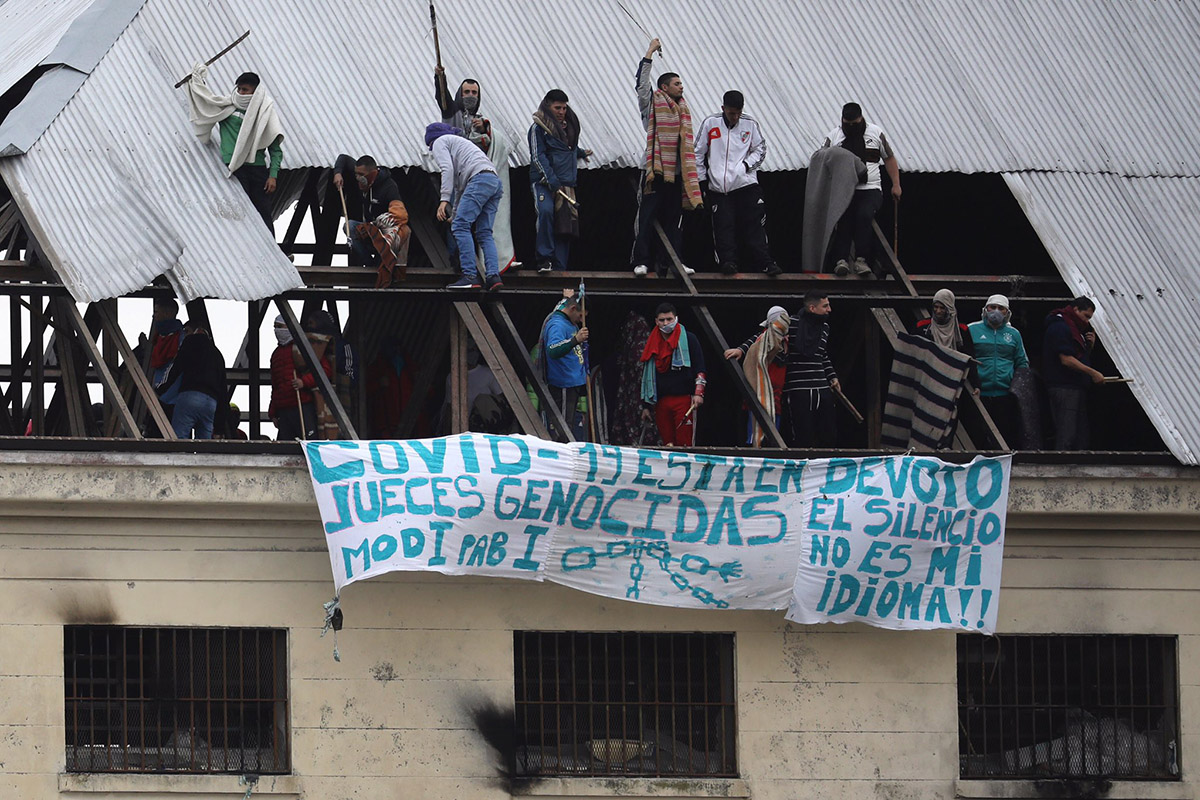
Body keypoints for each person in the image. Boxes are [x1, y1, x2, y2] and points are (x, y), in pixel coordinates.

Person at [434, 67, 518, 273]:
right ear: (459, 94)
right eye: (466, 92)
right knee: (456, 222)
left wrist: (484, 130)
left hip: (476, 179)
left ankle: (487, 268)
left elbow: (492, 146)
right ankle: (459, 263)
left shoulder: (480, 120)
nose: (470, 96)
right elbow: (442, 98)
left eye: (474, 93)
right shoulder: (452, 114)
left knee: (480, 226)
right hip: (458, 179)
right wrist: (440, 77)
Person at [631, 37, 701, 278]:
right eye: (677, 83)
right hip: (654, 171)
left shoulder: (683, 110)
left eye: (681, 84)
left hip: (677, 173)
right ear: (664, 87)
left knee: (674, 221)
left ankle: (673, 263)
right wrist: (649, 52)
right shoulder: (652, 105)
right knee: (646, 218)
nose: (681, 87)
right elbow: (641, 85)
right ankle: (641, 261)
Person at [186, 68, 284, 233]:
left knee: (262, 211)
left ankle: (270, 246)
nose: (241, 93)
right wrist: (198, 83)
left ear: (255, 92)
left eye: (245, 90)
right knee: (240, 211)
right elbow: (206, 104)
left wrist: (273, 175)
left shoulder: (264, 113)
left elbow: (275, 149)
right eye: (239, 89)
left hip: (257, 168)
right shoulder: (228, 107)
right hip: (234, 167)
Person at [695, 91, 780, 276]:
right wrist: (702, 181)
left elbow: (760, 149)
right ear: (723, 108)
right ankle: (728, 263)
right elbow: (698, 153)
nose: (735, 117)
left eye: (738, 113)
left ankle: (765, 262)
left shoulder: (750, 124)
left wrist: (745, 166)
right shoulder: (710, 123)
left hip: (745, 184)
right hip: (718, 187)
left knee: (754, 225)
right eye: (731, 113)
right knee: (723, 227)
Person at [823, 102, 900, 277]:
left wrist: (896, 184)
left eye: (855, 124)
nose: (851, 127)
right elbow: (822, 160)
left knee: (864, 215)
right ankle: (840, 260)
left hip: (870, 188)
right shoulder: (834, 136)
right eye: (847, 124)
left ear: (861, 119)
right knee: (844, 219)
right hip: (844, 189)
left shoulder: (875, 133)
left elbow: (889, 158)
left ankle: (862, 259)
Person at [426, 123, 504, 291]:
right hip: (493, 181)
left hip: (479, 179)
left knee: (460, 227)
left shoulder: (439, 141)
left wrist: (444, 200)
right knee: (484, 232)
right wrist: (454, 214)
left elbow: (446, 169)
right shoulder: (461, 147)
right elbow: (460, 189)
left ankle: (470, 276)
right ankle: (493, 276)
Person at [529, 90, 592, 272]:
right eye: (557, 108)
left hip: (566, 184)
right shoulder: (538, 128)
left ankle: (560, 267)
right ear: (548, 106)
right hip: (544, 182)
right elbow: (537, 156)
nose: (561, 112)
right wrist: (551, 180)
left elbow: (567, 147)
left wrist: (580, 152)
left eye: (564, 108)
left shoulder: (570, 127)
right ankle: (544, 259)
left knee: (566, 225)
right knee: (546, 212)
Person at [915, 288, 978, 447]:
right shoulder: (923, 326)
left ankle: (945, 446)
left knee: (950, 414)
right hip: (929, 379)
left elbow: (970, 356)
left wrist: (976, 383)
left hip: (952, 380)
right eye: (935, 307)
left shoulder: (961, 330)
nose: (938, 311)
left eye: (942, 308)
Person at [639, 303, 706, 446]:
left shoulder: (689, 339)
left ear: (676, 319)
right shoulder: (651, 343)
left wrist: (699, 393)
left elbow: (700, 368)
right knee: (667, 444)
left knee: (685, 443)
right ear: (656, 321)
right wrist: (646, 406)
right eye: (662, 320)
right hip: (661, 401)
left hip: (685, 400)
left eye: (669, 319)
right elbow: (647, 375)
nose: (666, 323)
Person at [969, 294, 1029, 448]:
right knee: (978, 436)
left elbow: (1022, 362)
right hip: (978, 394)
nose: (996, 311)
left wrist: (1017, 388)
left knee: (1004, 436)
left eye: (1000, 308)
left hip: (1005, 394)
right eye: (992, 307)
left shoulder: (1014, 334)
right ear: (986, 309)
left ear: (1007, 312)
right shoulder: (971, 329)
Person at [1043, 296, 1103, 450]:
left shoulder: (1074, 329)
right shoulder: (1060, 326)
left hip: (1075, 387)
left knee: (1079, 435)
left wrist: (1088, 347)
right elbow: (1066, 360)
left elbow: (1077, 357)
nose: (1087, 321)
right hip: (1064, 387)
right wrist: (1093, 373)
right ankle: (1061, 463)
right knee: (1067, 433)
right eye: (1086, 316)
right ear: (1075, 309)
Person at [725, 305, 789, 446]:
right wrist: (741, 349)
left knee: (773, 437)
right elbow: (757, 341)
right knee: (755, 435)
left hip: (776, 397)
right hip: (761, 394)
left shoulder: (787, 341)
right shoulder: (765, 338)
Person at [782, 291, 839, 447]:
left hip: (822, 389)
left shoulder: (825, 327)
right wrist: (741, 350)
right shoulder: (791, 323)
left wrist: (832, 376)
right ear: (812, 308)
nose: (829, 309)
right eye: (825, 306)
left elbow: (822, 354)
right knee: (801, 437)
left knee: (828, 434)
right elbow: (766, 337)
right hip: (798, 389)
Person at [330, 154, 406, 269]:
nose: (357, 178)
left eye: (361, 175)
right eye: (356, 174)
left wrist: (378, 225)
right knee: (350, 226)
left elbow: (400, 216)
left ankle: (383, 265)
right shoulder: (362, 178)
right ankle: (370, 264)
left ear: (372, 174)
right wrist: (337, 173)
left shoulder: (389, 187)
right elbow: (343, 158)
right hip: (369, 232)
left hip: (384, 235)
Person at [268, 315, 332, 440]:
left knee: (308, 442)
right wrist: (273, 412)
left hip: (303, 405)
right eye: (275, 327)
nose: (276, 330)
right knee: (285, 447)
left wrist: (304, 382)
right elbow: (276, 385)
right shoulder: (276, 354)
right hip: (283, 410)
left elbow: (325, 371)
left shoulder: (304, 348)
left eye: (279, 326)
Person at [161, 322, 226, 440]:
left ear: (195, 331)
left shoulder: (190, 342)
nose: (184, 335)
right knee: (204, 443)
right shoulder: (218, 355)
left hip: (190, 396)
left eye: (186, 331)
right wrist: (220, 427)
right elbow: (223, 391)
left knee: (179, 439)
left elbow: (176, 367)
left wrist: (162, 389)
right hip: (211, 403)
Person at [539, 291, 589, 439]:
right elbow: (553, 350)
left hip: (573, 382)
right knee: (563, 427)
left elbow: (563, 305)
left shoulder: (568, 318)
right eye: (581, 316)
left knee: (570, 424)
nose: (581, 320)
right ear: (573, 309)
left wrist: (567, 297)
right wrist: (575, 340)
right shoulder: (557, 325)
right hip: (563, 383)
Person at [148, 298, 184, 388]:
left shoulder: (181, 338)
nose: (153, 316)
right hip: (158, 387)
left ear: (167, 313)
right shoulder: (158, 337)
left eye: (156, 312)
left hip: (171, 390)